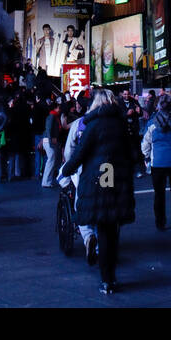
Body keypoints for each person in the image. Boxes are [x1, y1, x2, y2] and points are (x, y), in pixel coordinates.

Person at [59, 87, 135, 296]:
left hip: (99, 177)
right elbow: (130, 153)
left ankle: (106, 279)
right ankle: (112, 275)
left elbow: (80, 153)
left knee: (103, 228)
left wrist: (66, 169)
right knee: (113, 229)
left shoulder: (93, 124)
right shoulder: (120, 123)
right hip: (117, 179)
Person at [61, 91, 97, 265]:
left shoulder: (79, 123)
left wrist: (69, 167)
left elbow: (69, 152)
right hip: (107, 170)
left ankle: (88, 236)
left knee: (80, 204)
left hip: (82, 170)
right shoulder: (109, 122)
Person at [142, 93, 171, 231]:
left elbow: (145, 144)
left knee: (159, 194)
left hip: (157, 162)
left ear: (158, 107)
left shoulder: (152, 123)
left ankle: (160, 222)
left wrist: (147, 157)